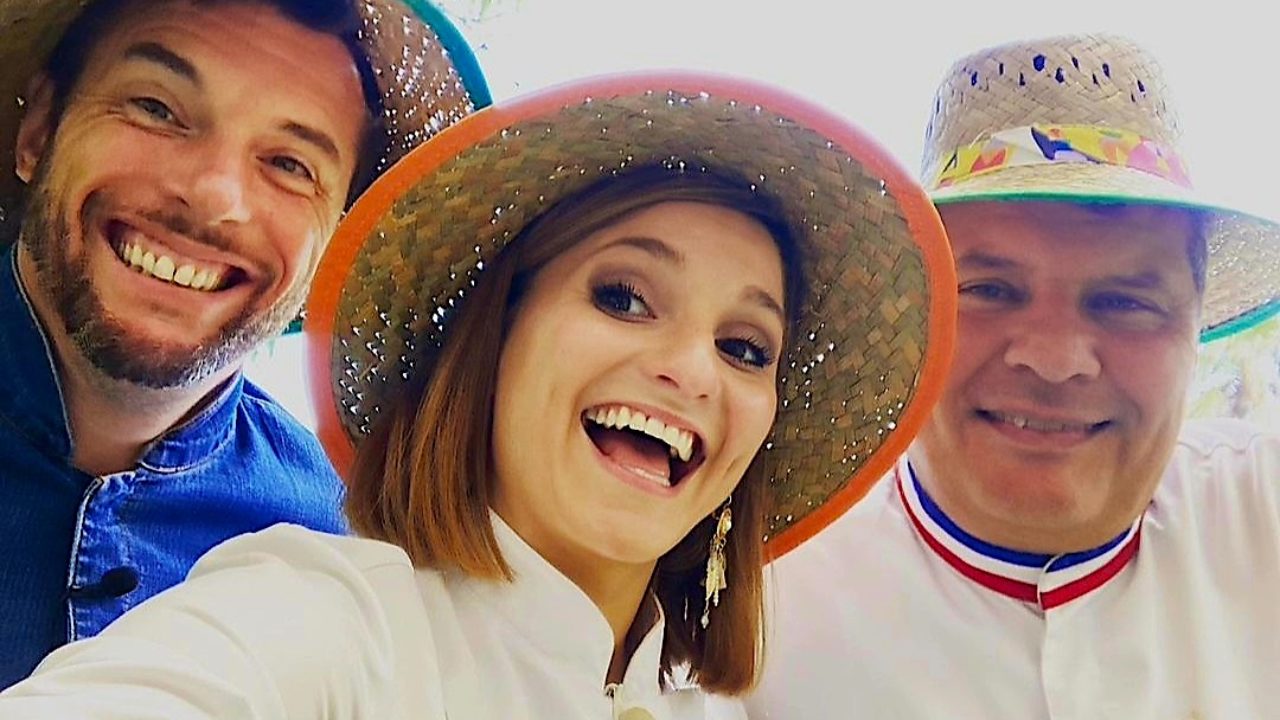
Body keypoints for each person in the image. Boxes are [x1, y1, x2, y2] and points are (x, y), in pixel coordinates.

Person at [0, 71, 955, 718]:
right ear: (493, 341)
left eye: (745, 347)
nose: (693, 371)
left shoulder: (702, 708)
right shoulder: (325, 620)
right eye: (622, 297)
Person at [746, 33, 1280, 719]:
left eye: (1125, 303)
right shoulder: (751, 616)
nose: (1055, 360)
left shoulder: (1260, 513)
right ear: (913, 315)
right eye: (990, 291)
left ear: (1196, 327)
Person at [0, 0, 489, 688]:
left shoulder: (349, 554)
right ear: (39, 129)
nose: (213, 196)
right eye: (157, 109)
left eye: (290, 164)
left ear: (339, 243)